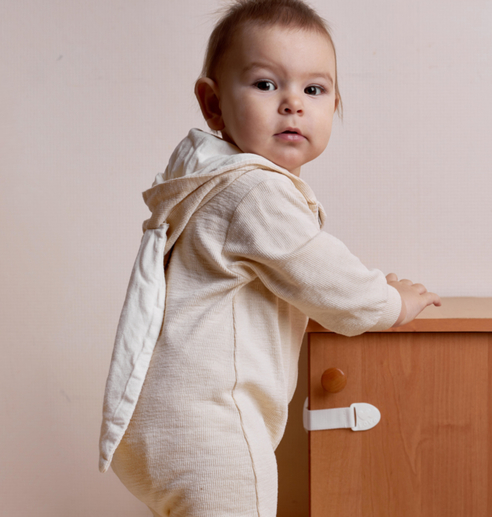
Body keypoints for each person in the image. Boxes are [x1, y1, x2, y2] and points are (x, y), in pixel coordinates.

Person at [99, 0, 440, 515]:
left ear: (334, 105)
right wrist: (393, 300)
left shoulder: (216, 183)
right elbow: (334, 285)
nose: (292, 104)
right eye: (265, 84)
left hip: (164, 425)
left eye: (314, 89)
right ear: (212, 104)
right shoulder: (253, 191)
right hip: (211, 428)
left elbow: (300, 267)